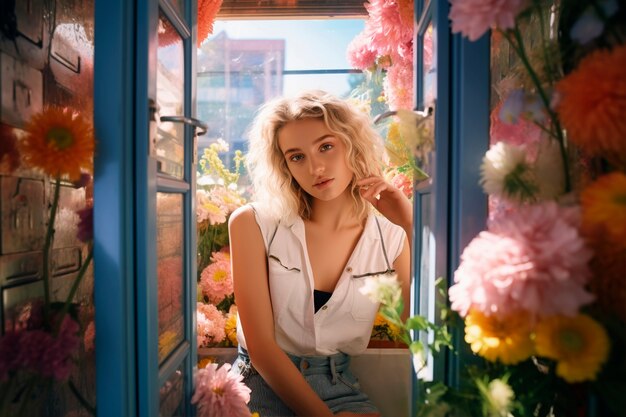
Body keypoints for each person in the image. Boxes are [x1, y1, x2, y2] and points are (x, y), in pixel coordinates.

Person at [229, 90, 412, 417]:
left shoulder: (391, 237)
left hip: (339, 384)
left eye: (326, 146)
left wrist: (410, 222)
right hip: (260, 384)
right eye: (296, 156)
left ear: (351, 145)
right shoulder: (252, 223)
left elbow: (420, 327)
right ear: (284, 164)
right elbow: (261, 349)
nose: (315, 168)